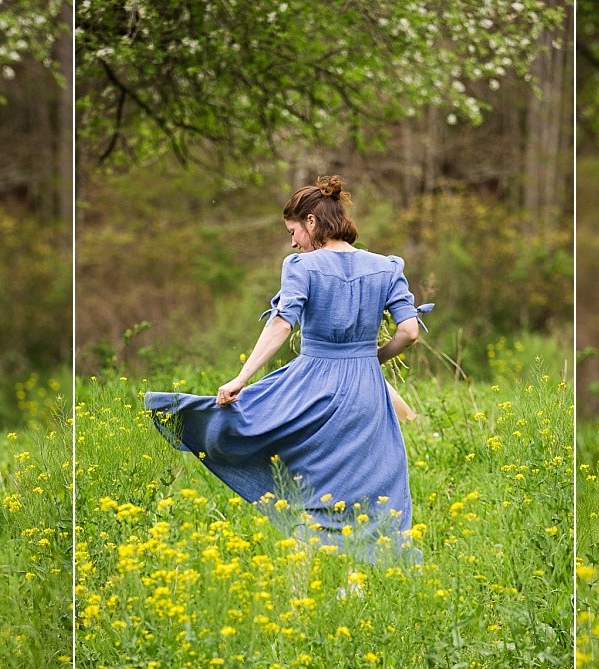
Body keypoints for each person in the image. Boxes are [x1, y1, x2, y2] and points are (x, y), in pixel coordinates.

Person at [144, 175, 429, 565]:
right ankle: (362, 587)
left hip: (315, 389)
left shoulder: (302, 266)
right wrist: (370, 358)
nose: (293, 241)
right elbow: (410, 332)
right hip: (367, 393)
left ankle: (305, 594)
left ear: (311, 222)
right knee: (371, 493)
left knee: (310, 489)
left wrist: (242, 378)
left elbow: (281, 323)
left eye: (293, 230)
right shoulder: (386, 267)